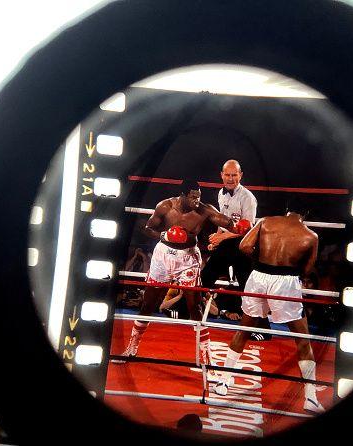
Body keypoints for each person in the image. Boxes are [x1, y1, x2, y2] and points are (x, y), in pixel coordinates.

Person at [114, 181, 249, 379]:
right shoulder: (165, 207)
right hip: (163, 255)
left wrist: (237, 227)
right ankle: (131, 348)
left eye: (199, 196)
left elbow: (225, 221)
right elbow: (147, 227)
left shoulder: (204, 210)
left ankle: (207, 361)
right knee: (149, 303)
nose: (197, 201)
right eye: (193, 197)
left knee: (195, 306)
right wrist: (163, 234)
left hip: (188, 258)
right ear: (183, 195)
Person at [214, 210, 325, 414]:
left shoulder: (266, 221)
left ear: (286, 210)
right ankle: (310, 397)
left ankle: (223, 381)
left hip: (258, 277)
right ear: (306, 214)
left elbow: (244, 245)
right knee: (302, 339)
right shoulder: (310, 235)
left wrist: (262, 258)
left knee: (245, 329)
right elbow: (308, 270)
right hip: (286, 281)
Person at [201, 160, 272, 339]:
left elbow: (248, 229)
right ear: (221, 175)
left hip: (243, 245)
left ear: (240, 175)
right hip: (225, 245)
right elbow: (222, 221)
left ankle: (264, 329)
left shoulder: (247, 197)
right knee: (206, 276)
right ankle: (193, 317)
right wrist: (216, 239)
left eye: (234, 175)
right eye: (227, 174)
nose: (230, 178)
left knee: (248, 287)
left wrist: (222, 237)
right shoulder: (221, 193)